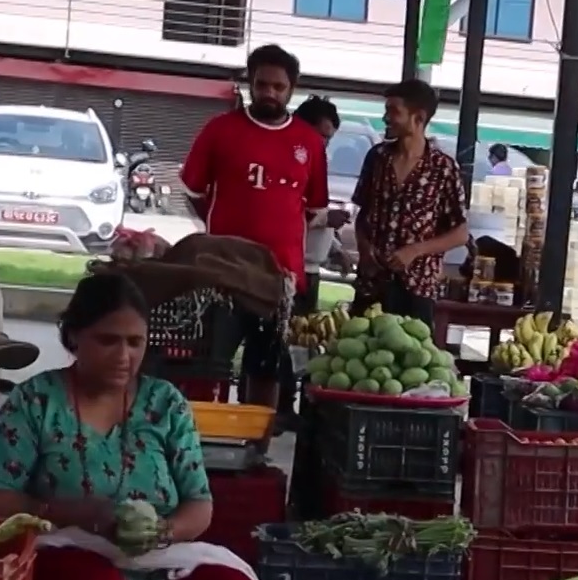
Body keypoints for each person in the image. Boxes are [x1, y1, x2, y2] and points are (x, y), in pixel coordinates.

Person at [0, 272, 217, 580]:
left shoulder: (165, 404)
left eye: (135, 342)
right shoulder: (35, 402)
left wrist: (165, 531)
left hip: (159, 561)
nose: (125, 356)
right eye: (108, 340)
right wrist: (76, 515)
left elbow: (199, 504)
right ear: (74, 336)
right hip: (68, 554)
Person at [180, 44, 328, 411]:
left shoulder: (309, 142)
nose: (270, 94)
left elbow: (313, 208)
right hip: (222, 273)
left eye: (279, 87)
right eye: (262, 85)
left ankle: (258, 445)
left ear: (292, 88)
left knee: (267, 369)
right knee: (210, 363)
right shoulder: (220, 129)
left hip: (278, 277)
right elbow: (194, 192)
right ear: (250, 83)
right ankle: (202, 440)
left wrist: (277, 228)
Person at [352, 79, 470, 327]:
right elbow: (362, 214)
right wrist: (364, 248)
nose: (386, 118)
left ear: (418, 118)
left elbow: (460, 233)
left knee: (412, 358)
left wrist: (414, 250)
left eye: (394, 111)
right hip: (373, 282)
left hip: (418, 287)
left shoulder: (443, 168)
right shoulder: (377, 158)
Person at [293, 96, 348, 313]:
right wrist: (326, 219)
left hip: (311, 270)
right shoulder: (288, 164)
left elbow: (315, 211)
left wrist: (334, 247)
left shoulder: (315, 163)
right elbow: (282, 215)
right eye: (320, 136)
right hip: (288, 270)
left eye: (328, 139)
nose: (323, 144)